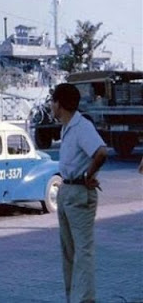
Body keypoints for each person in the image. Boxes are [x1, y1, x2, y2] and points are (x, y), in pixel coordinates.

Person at [50, 83, 108, 303]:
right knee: (68, 251)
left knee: (83, 251)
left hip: (79, 192)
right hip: (67, 189)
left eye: (52, 101)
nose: (51, 105)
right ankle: (72, 297)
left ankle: (84, 299)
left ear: (59, 104)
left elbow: (101, 152)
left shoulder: (82, 126)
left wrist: (88, 175)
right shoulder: (67, 127)